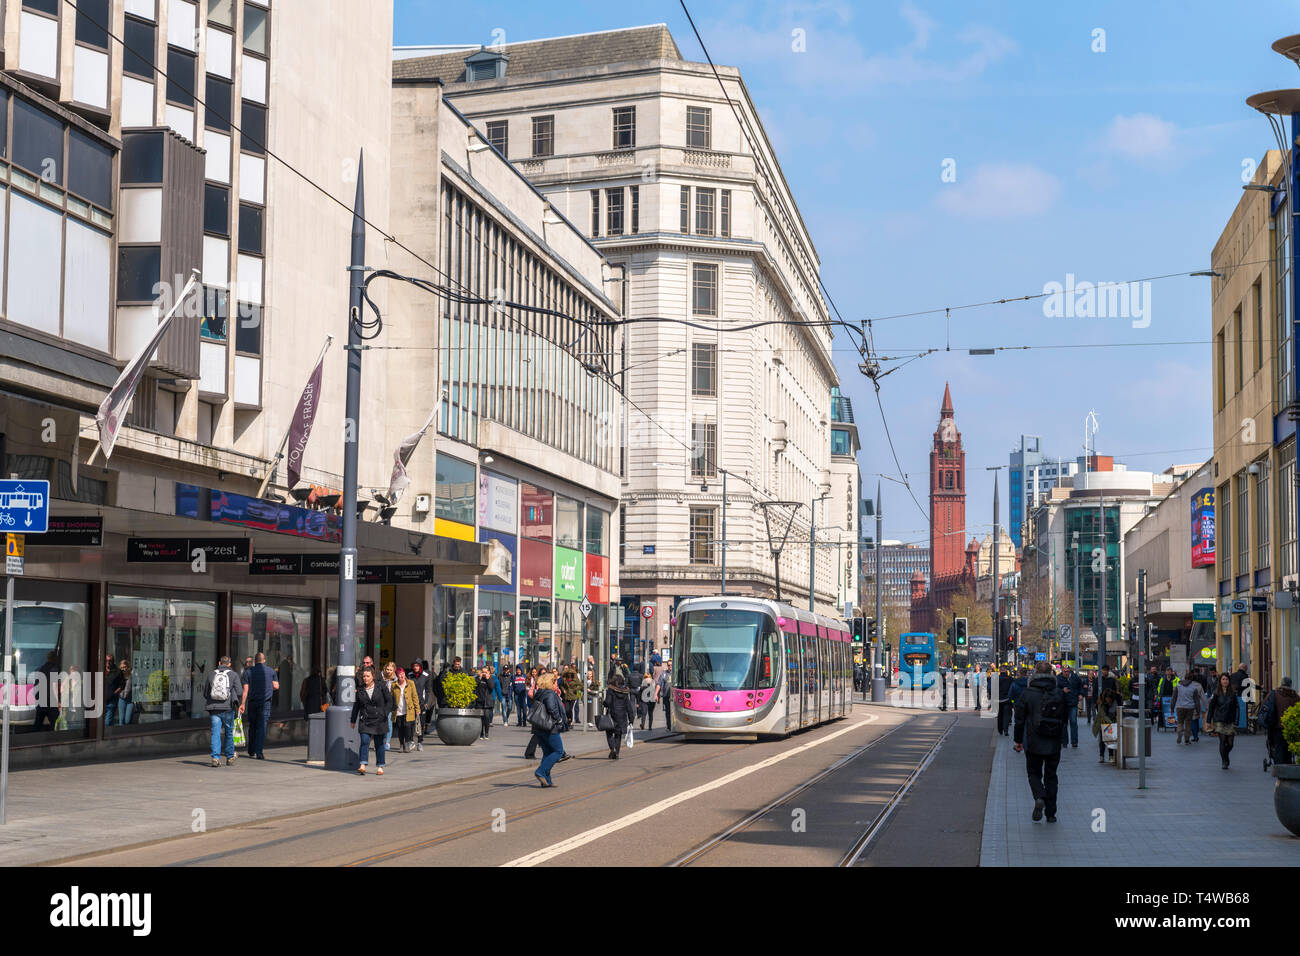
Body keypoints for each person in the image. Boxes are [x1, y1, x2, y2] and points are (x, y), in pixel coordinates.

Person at [1013, 661, 1067, 823]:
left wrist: (1018, 741)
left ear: (1034, 673)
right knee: (1051, 776)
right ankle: (1051, 814)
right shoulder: (1058, 693)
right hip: (1053, 741)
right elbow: (1064, 719)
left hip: (1033, 739)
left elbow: (1019, 719)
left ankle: (1039, 796)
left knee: (1033, 772)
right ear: (1052, 674)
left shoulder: (1027, 693)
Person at [203, 655, 245, 767]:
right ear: (229, 664)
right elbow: (240, 692)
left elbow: (205, 692)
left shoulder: (212, 674)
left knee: (215, 733)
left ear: (219, 662)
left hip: (214, 708)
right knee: (228, 733)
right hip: (228, 708)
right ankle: (230, 756)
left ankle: (215, 758)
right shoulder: (233, 675)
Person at [350, 666, 392, 775]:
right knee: (364, 741)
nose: (365, 678)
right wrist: (353, 720)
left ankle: (380, 766)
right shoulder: (360, 689)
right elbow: (356, 705)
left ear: (373, 676)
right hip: (365, 719)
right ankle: (362, 765)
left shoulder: (381, 686)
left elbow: (390, 701)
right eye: (364, 676)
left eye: (368, 676)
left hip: (379, 720)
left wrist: (385, 713)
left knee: (379, 744)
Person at [530, 672, 568, 787]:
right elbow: (551, 708)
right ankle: (541, 771)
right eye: (555, 681)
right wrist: (559, 720)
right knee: (558, 751)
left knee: (547, 753)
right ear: (550, 682)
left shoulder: (539, 693)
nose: (557, 683)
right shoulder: (550, 694)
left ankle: (546, 780)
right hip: (550, 727)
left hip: (539, 727)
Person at [242, 652, 278, 759]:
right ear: (264, 660)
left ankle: (251, 750)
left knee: (252, 726)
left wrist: (242, 704)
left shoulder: (248, 672)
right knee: (261, 726)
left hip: (252, 702)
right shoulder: (271, 671)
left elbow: (245, 690)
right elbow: (276, 686)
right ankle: (259, 752)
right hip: (265, 702)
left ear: (255, 661)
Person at [1259, 677, 1300, 767]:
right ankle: (1288, 765)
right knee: (1288, 748)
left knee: (1278, 746)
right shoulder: (1295, 697)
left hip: (1276, 726)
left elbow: (1264, 706)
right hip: (1291, 727)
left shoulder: (1274, 694)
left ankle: (1279, 767)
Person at [1207, 673, 1240, 769]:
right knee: (1223, 740)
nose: (1225, 681)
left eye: (1226, 679)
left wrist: (1236, 721)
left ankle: (1225, 754)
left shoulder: (1233, 693)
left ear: (1229, 681)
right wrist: (1209, 721)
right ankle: (1224, 761)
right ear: (1220, 681)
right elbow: (1211, 707)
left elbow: (1237, 708)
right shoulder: (1216, 693)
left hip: (1230, 720)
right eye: (1223, 679)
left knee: (1230, 743)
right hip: (1219, 720)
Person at [603, 673, 636, 758]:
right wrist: (631, 719)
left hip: (612, 714)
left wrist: (604, 703)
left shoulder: (610, 690)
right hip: (622, 716)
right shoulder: (625, 692)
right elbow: (628, 706)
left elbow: (608, 702)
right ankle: (617, 752)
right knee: (618, 734)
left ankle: (612, 748)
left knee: (609, 732)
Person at [1172, 671, 1205, 745]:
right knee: (1188, 723)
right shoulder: (1194, 688)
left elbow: (1174, 698)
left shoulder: (1178, 686)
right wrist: (1198, 711)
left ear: (1184, 677)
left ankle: (1179, 733)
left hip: (1179, 707)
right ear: (1191, 679)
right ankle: (1187, 740)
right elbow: (1196, 701)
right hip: (1190, 708)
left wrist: (1172, 708)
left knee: (1180, 722)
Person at [392, 667, 419, 752]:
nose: (402, 676)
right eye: (400, 674)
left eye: (403, 674)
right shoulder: (394, 685)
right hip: (398, 709)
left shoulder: (411, 683)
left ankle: (407, 743)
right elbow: (391, 697)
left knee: (407, 727)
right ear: (397, 676)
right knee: (400, 728)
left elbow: (415, 696)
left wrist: (417, 708)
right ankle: (401, 744)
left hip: (408, 709)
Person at [1055, 664, 1082, 748]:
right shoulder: (1058, 678)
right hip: (1062, 704)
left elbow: (1080, 686)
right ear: (1062, 671)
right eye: (1064, 671)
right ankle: (1064, 742)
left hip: (1073, 702)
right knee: (1063, 724)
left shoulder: (1075, 677)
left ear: (1070, 670)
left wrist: (1081, 694)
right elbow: (1055, 689)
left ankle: (1074, 742)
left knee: (1073, 722)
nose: (1066, 673)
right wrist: (1062, 690)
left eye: (1067, 671)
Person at [1092, 687, 1120, 763]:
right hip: (1103, 720)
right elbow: (1102, 713)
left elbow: (1117, 712)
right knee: (1102, 738)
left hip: (1112, 720)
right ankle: (1101, 756)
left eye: (1109, 699)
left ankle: (1111, 756)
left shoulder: (1115, 700)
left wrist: (1113, 722)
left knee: (1110, 738)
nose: (1108, 700)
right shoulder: (1101, 700)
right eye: (1107, 699)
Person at [411, 661, 431, 750]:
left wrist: (426, 702)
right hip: (411, 703)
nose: (415, 667)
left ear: (420, 666)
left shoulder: (425, 676)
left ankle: (420, 742)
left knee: (421, 723)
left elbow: (427, 690)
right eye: (414, 666)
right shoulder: (409, 675)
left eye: (417, 666)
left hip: (421, 703)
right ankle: (411, 741)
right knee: (410, 723)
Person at [475, 666, 494, 740]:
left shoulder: (491, 679)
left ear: (489, 672)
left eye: (485, 672)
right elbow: (474, 686)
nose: (484, 673)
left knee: (486, 717)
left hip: (487, 702)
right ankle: (481, 733)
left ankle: (486, 733)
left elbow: (491, 687)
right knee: (480, 718)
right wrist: (479, 678)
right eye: (483, 672)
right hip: (479, 701)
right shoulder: (479, 678)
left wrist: (488, 678)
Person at [996, 669, 1012, 736]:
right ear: (1006, 672)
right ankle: (1006, 730)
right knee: (1006, 715)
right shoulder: (1010, 679)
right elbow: (1012, 688)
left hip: (998, 699)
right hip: (1007, 699)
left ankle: (1000, 730)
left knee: (1000, 715)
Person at [656, 664, 672, 733]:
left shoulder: (676, 672)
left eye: (671, 665)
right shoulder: (664, 674)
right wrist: (655, 694)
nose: (670, 666)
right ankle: (669, 726)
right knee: (668, 712)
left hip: (675, 696)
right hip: (666, 696)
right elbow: (659, 684)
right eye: (668, 665)